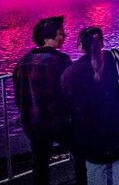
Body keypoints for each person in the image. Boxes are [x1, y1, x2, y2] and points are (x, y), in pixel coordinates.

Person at [12, 16, 86, 185]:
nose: (65, 36)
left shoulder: (22, 63)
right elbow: (70, 92)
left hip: (33, 124)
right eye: (60, 33)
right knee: (80, 153)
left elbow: (19, 96)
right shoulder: (61, 61)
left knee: (40, 163)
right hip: (58, 122)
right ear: (47, 38)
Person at [60, 27, 119, 185]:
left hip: (90, 134)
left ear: (80, 45)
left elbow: (68, 106)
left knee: (95, 171)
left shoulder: (70, 74)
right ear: (102, 42)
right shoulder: (115, 60)